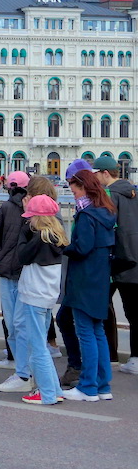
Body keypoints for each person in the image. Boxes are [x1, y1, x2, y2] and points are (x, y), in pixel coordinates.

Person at [61, 169, 116, 402]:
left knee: (85, 333)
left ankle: (88, 387)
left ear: (84, 187)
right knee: (97, 332)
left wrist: (65, 247)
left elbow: (82, 248)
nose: (73, 194)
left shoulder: (86, 216)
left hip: (83, 279)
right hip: (101, 278)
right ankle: (103, 385)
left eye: (74, 190)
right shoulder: (106, 212)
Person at [15, 194, 68, 405]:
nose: (28, 220)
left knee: (37, 348)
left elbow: (22, 255)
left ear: (38, 217)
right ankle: (54, 390)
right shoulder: (56, 235)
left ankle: (47, 394)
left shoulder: (39, 238)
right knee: (41, 347)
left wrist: (24, 231)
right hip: (47, 297)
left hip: (34, 296)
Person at [0, 169, 33, 394]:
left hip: (14, 273)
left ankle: (23, 372)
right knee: (19, 326)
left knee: (15, 325)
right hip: (19, 272)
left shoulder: (8, 207)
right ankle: (23, 370)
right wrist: (0, 256)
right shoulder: (9, 208)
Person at [92, 155, 138, 375]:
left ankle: (105, 357)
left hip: (114, 261)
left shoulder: (109, 195)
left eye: (96, 174)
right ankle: (135, 358)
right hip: (134, 261)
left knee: (98, 309)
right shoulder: (134, 193)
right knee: (134, 313)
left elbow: (104, 227)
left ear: (105, 173)